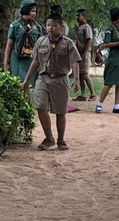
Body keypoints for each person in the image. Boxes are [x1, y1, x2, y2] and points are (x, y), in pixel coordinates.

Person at [22, 13, 81, 151]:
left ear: (61, 27)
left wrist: (76, 80)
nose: (50, 28)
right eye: (48, 25)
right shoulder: (41, 41)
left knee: (60, 111)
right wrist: (27, 80)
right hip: (43, 78)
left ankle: (61, 140)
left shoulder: (68, 43)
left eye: (54, 25)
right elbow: (36, 61)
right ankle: (49, 138)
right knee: (40, 106)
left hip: (60, 79)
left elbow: (75, 62)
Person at [94, 7, 119, 114]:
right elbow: (106, 44)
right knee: (110, 82)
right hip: (114, 58)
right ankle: (99, 104)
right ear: (116, 17)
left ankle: (117, 106)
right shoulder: (110, 29)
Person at [4, 0, 43, 86]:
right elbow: (9, 45)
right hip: (17, 60)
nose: (34, 14)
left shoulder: (37, 27)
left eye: (35, 11)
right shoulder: (15, 25)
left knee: (31, 84)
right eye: (32, 11)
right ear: (25, 10)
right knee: (18, 83)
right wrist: (5, 63)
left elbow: (40, 46)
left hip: (32, 60)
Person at [72, 8, 96, 101]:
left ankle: (93, 94)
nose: (77, 17)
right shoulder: (79, 27)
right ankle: (83, 95)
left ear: (84, 16)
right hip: (78, 53)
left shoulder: (87, 27)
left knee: (85, 74)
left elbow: (89, 40)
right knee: (80, 74)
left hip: (84, 53)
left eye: (79, 16)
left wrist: (85, 53)